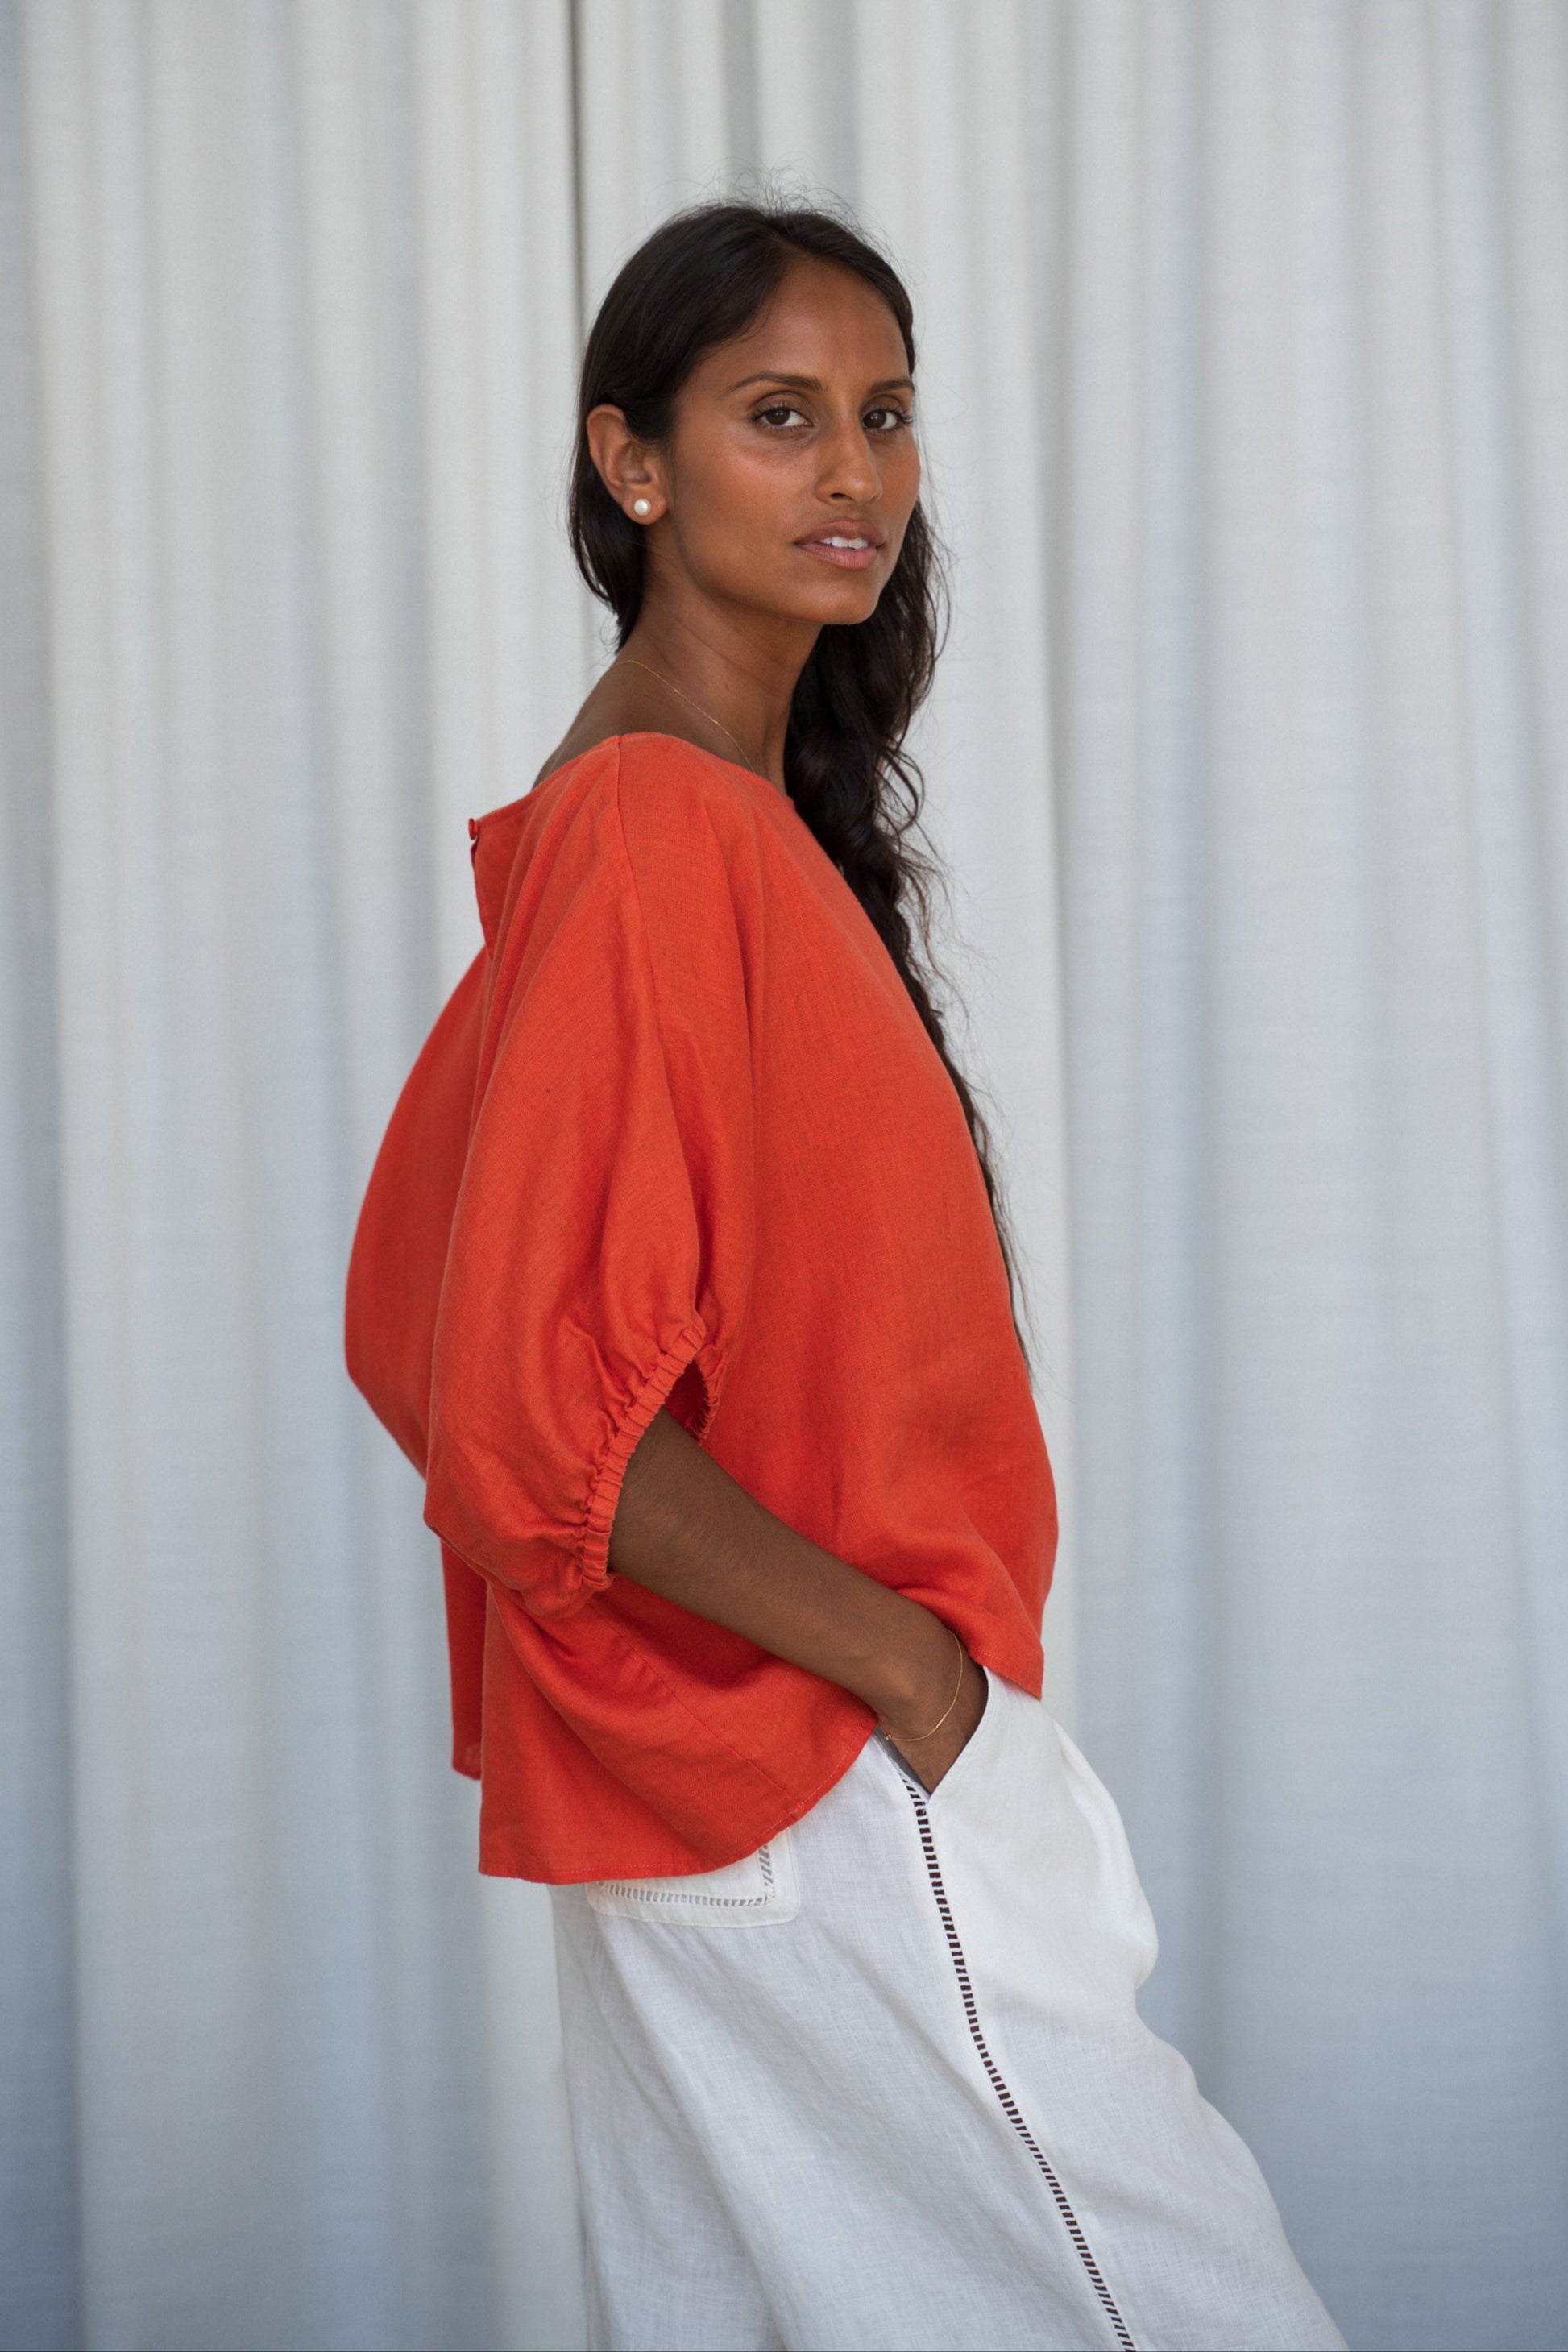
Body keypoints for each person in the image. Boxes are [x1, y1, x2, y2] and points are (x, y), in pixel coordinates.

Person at [344, 200, 1345, 2352]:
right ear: (633, 463)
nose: (856, 478)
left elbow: (419, 1331)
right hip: (826, 1790)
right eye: (777, 418)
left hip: (747, 1811)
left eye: (884, 418)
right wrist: (910, 1679)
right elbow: (527, 1428)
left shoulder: (701, 824)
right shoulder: (646, 835)